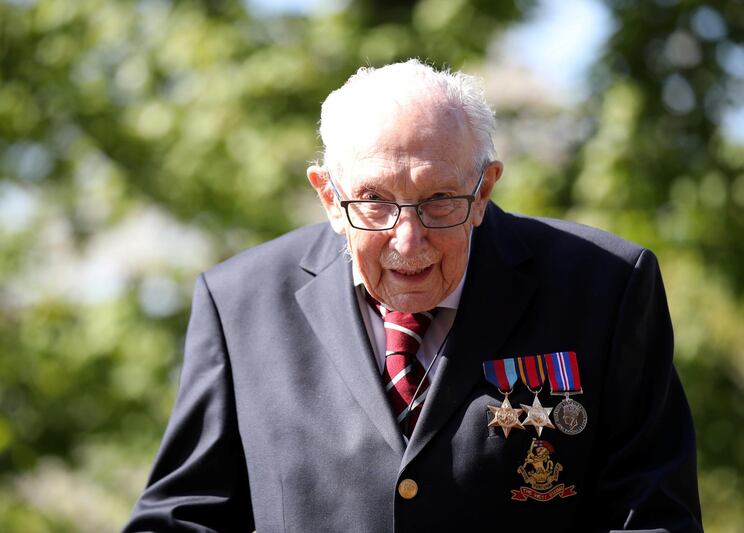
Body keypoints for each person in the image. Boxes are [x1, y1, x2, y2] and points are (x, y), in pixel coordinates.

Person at [124, 60, 703, 532]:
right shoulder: (239, 303)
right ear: (328, 196)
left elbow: (653, 517)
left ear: (484, 190)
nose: (409, 238)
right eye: (373, 201)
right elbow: (184, 517)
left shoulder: (605, 286)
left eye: (440, 200)